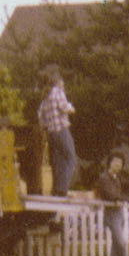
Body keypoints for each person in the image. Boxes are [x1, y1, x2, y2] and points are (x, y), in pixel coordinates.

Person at [37, 66, 76, 196]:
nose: (63, 83)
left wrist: (47, 126)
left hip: (51, 134)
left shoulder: (45, 96)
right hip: (61, 130)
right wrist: (71, 107)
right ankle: (63, 188)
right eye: (62, 81)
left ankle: (56, 189)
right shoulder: (57, 92)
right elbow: (64, 107)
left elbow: (41, 118)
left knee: (58, 161)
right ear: (58, 81)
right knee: (70, 158)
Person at [96, 150, 129, 256]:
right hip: (111, 214)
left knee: (116, 244)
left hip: (119, 212)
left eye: (120, 163)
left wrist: (123, 198)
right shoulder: (104, 178)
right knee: (121, 243)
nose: (118, 165)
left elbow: (118, 195)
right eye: (115, 162)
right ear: (110, 163)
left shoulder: (117, 179)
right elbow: (112, 196)